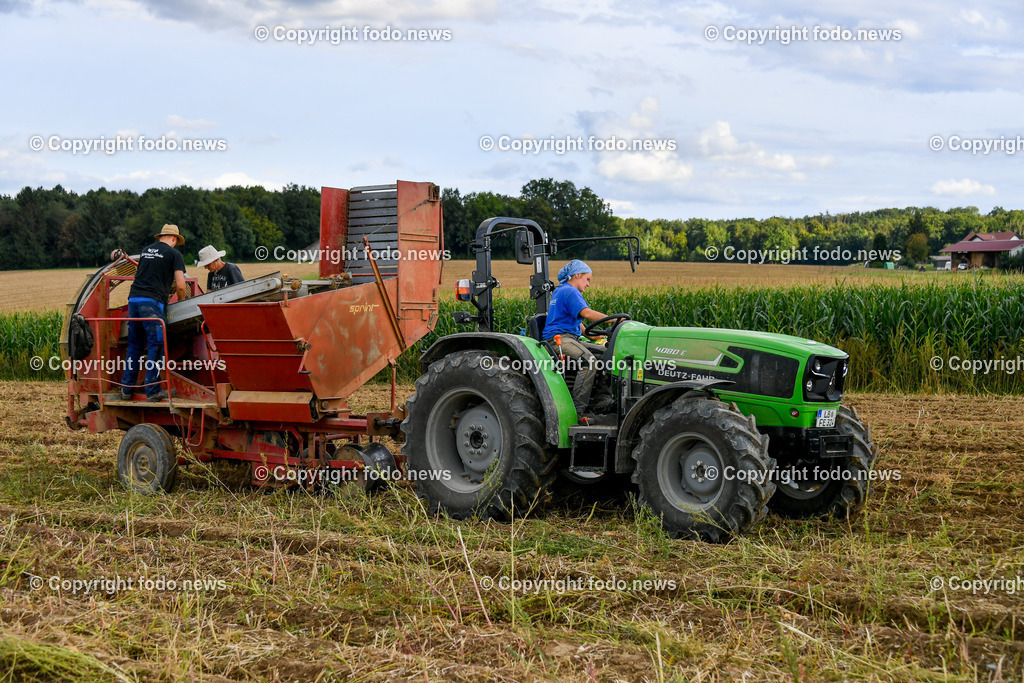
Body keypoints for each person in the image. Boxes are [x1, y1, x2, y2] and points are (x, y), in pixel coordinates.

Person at [119, 224, 188, 402]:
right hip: (152, 303)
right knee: (155, 346)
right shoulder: (174, 254)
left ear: (160, 237)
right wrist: (181, 302)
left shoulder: (145, 250)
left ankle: (126, 389)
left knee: (134, 345)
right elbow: (180, 284)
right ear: (174, 239)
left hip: (133, 301)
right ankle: (153, 391)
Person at [542, 259, 615, 415]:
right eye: (587, 279)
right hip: (558, 340)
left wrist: (595, 336)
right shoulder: (570, 291)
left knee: (607, 354)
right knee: (589, 362)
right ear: (576, 275)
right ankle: (577, 410)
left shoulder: (560, 291)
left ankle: (601, 400)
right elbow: (586, 313)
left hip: (569, 338)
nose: (588, 284)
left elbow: (578, 324)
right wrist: (615, 319)